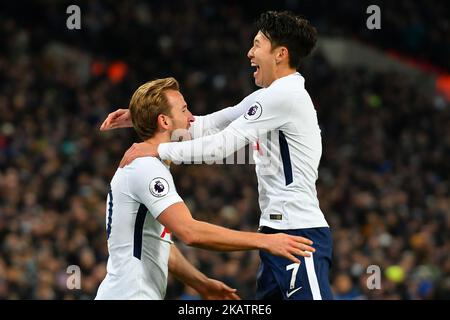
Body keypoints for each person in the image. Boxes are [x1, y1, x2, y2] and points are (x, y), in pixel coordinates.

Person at [101, 11, 332, 300]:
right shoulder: (268, 97)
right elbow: (206, 124)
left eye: (257, 44)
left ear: (280, 54)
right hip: (276, 232)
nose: (249, 52)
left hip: (298, 231)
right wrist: (141, 118)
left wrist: (158, 147)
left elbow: (220, 145)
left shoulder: (284, 96)